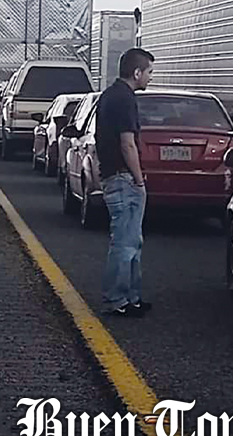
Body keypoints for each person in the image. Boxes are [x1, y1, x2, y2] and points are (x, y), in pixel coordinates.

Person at [97, 48, 155, 317]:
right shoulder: (125, 99)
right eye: (149, 72)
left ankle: (131, 297)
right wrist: (139, 179)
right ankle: (118, 299)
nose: (150, 77)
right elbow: (127, 143)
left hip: (113, 175)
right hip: (123, 178)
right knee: (124, 242)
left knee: (132, 240)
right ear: (137, 72)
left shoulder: (110, 95)